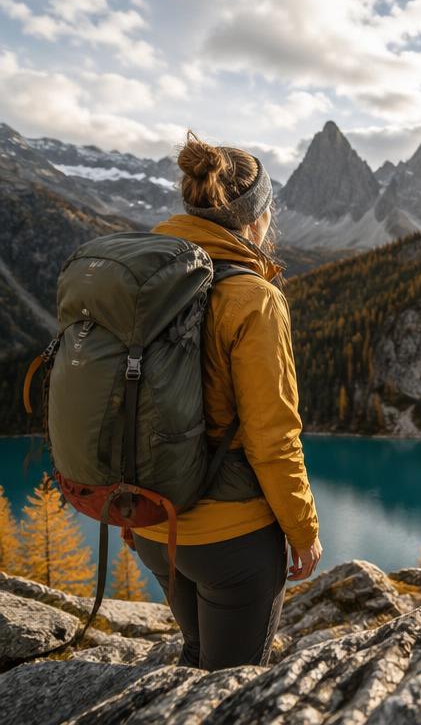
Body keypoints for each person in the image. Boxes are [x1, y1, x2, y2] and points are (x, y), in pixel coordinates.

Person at [132, 130, 322, 671]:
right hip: (231, 544)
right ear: (256, 218)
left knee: (195, 659)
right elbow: (272, 436)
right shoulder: (254, 298)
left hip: (152, 523)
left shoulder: (147, 277)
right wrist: (302, 531)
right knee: (232, 685)